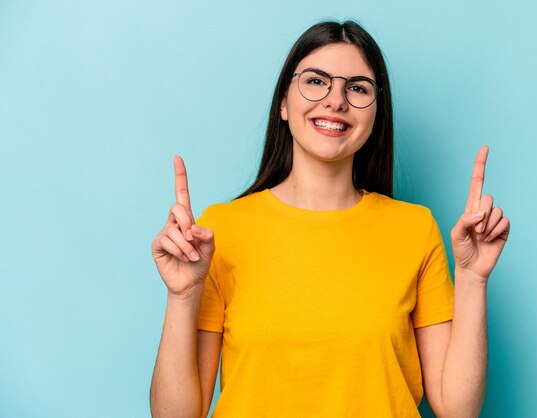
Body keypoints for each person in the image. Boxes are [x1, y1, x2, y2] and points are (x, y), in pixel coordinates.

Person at [149, 20, 510, 418]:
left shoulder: (414, 228)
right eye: (316, 81)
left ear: (376, 115)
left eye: (357, 88)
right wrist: (182, 297)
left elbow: (457, 410)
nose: (336, 100)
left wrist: (473, 279)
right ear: (283, 104)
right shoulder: (221, 230)